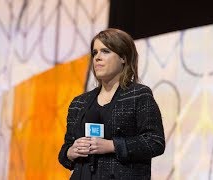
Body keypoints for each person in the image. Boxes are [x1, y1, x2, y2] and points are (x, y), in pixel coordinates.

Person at [58, 28, 165, 180]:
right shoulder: (79, 103)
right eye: (95, 53)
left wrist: (112, 146)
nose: (97, 58)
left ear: (123, 57)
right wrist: (71, 152)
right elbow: (64, 152)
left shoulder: (138, 95)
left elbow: (155, 142)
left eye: (105, 51)